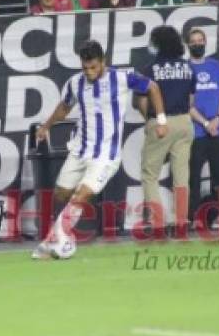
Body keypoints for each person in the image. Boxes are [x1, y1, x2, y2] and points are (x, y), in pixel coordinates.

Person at [32, 40, 167, 259]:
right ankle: (56, 237)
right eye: (85, 68)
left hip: (106, 155)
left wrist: (161, 120)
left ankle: (57, 240)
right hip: (80, 150)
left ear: (103, 62)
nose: (89, 72)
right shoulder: (75, 83)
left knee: (82, 194)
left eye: (93, 67)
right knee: (61, 194)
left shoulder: (121, 78)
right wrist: (46, 127)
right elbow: (64, 108)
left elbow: (153, 87)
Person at [138, 26, 195, 231]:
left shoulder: (150, 69)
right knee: (181, 175)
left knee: (149, 173)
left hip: (161, 123)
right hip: (184, 121)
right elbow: (191, 99)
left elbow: (142, 101)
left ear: (158, 44)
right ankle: (181, 220)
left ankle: (158, 221)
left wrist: (150, 121)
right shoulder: (188, 67)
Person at [186, 28, 219, 222]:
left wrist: (218, 118)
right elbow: (188, 104)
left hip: (218, 130)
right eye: (193, 41)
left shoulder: (216, 65)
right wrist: (205, 123)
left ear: (205, 42)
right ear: (188, 45)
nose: (197, 44)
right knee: (193, 177)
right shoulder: (185, 68)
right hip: (196, 132)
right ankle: (193, 217)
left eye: (200, 40)